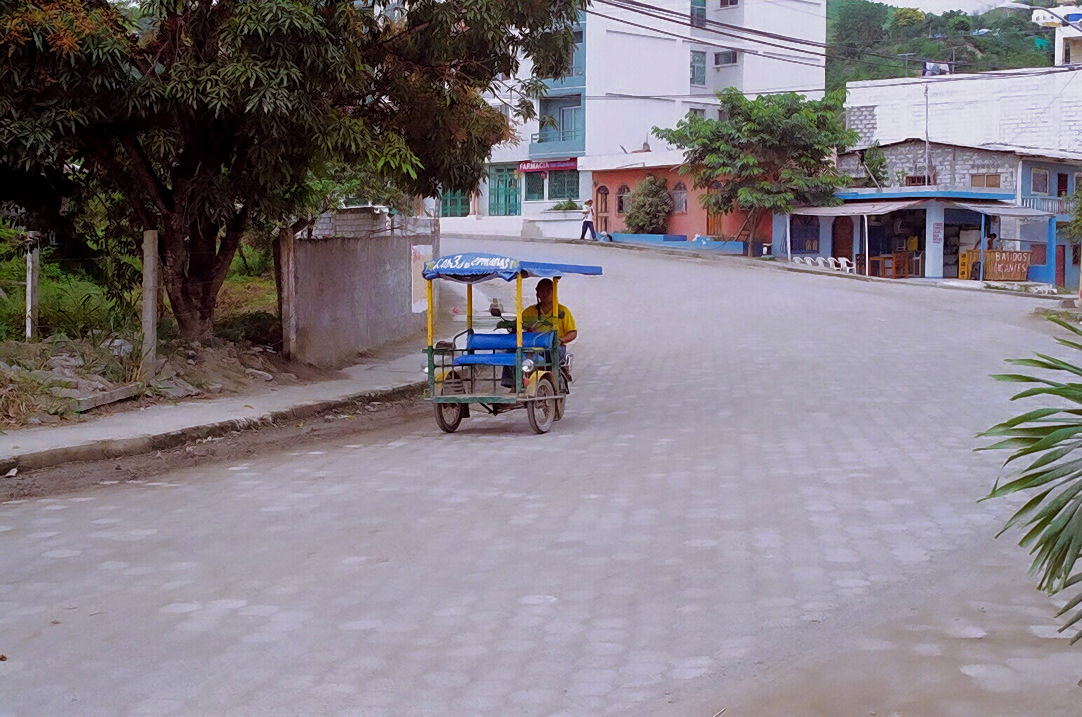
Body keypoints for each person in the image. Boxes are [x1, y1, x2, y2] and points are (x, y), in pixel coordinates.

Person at [500, 278, 577, 388]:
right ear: (537, 293)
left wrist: (561, 340)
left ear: (553, 292)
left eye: (548, 291)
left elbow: (573, 332)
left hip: (554, 348)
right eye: (541, 291)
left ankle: (529, 383)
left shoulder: (562, 311)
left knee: (532, 355)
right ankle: (512, 384)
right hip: (530, 346)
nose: (544, 294)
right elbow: (516, 326)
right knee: (510, 351)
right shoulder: (529, 312)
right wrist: (507, 324)